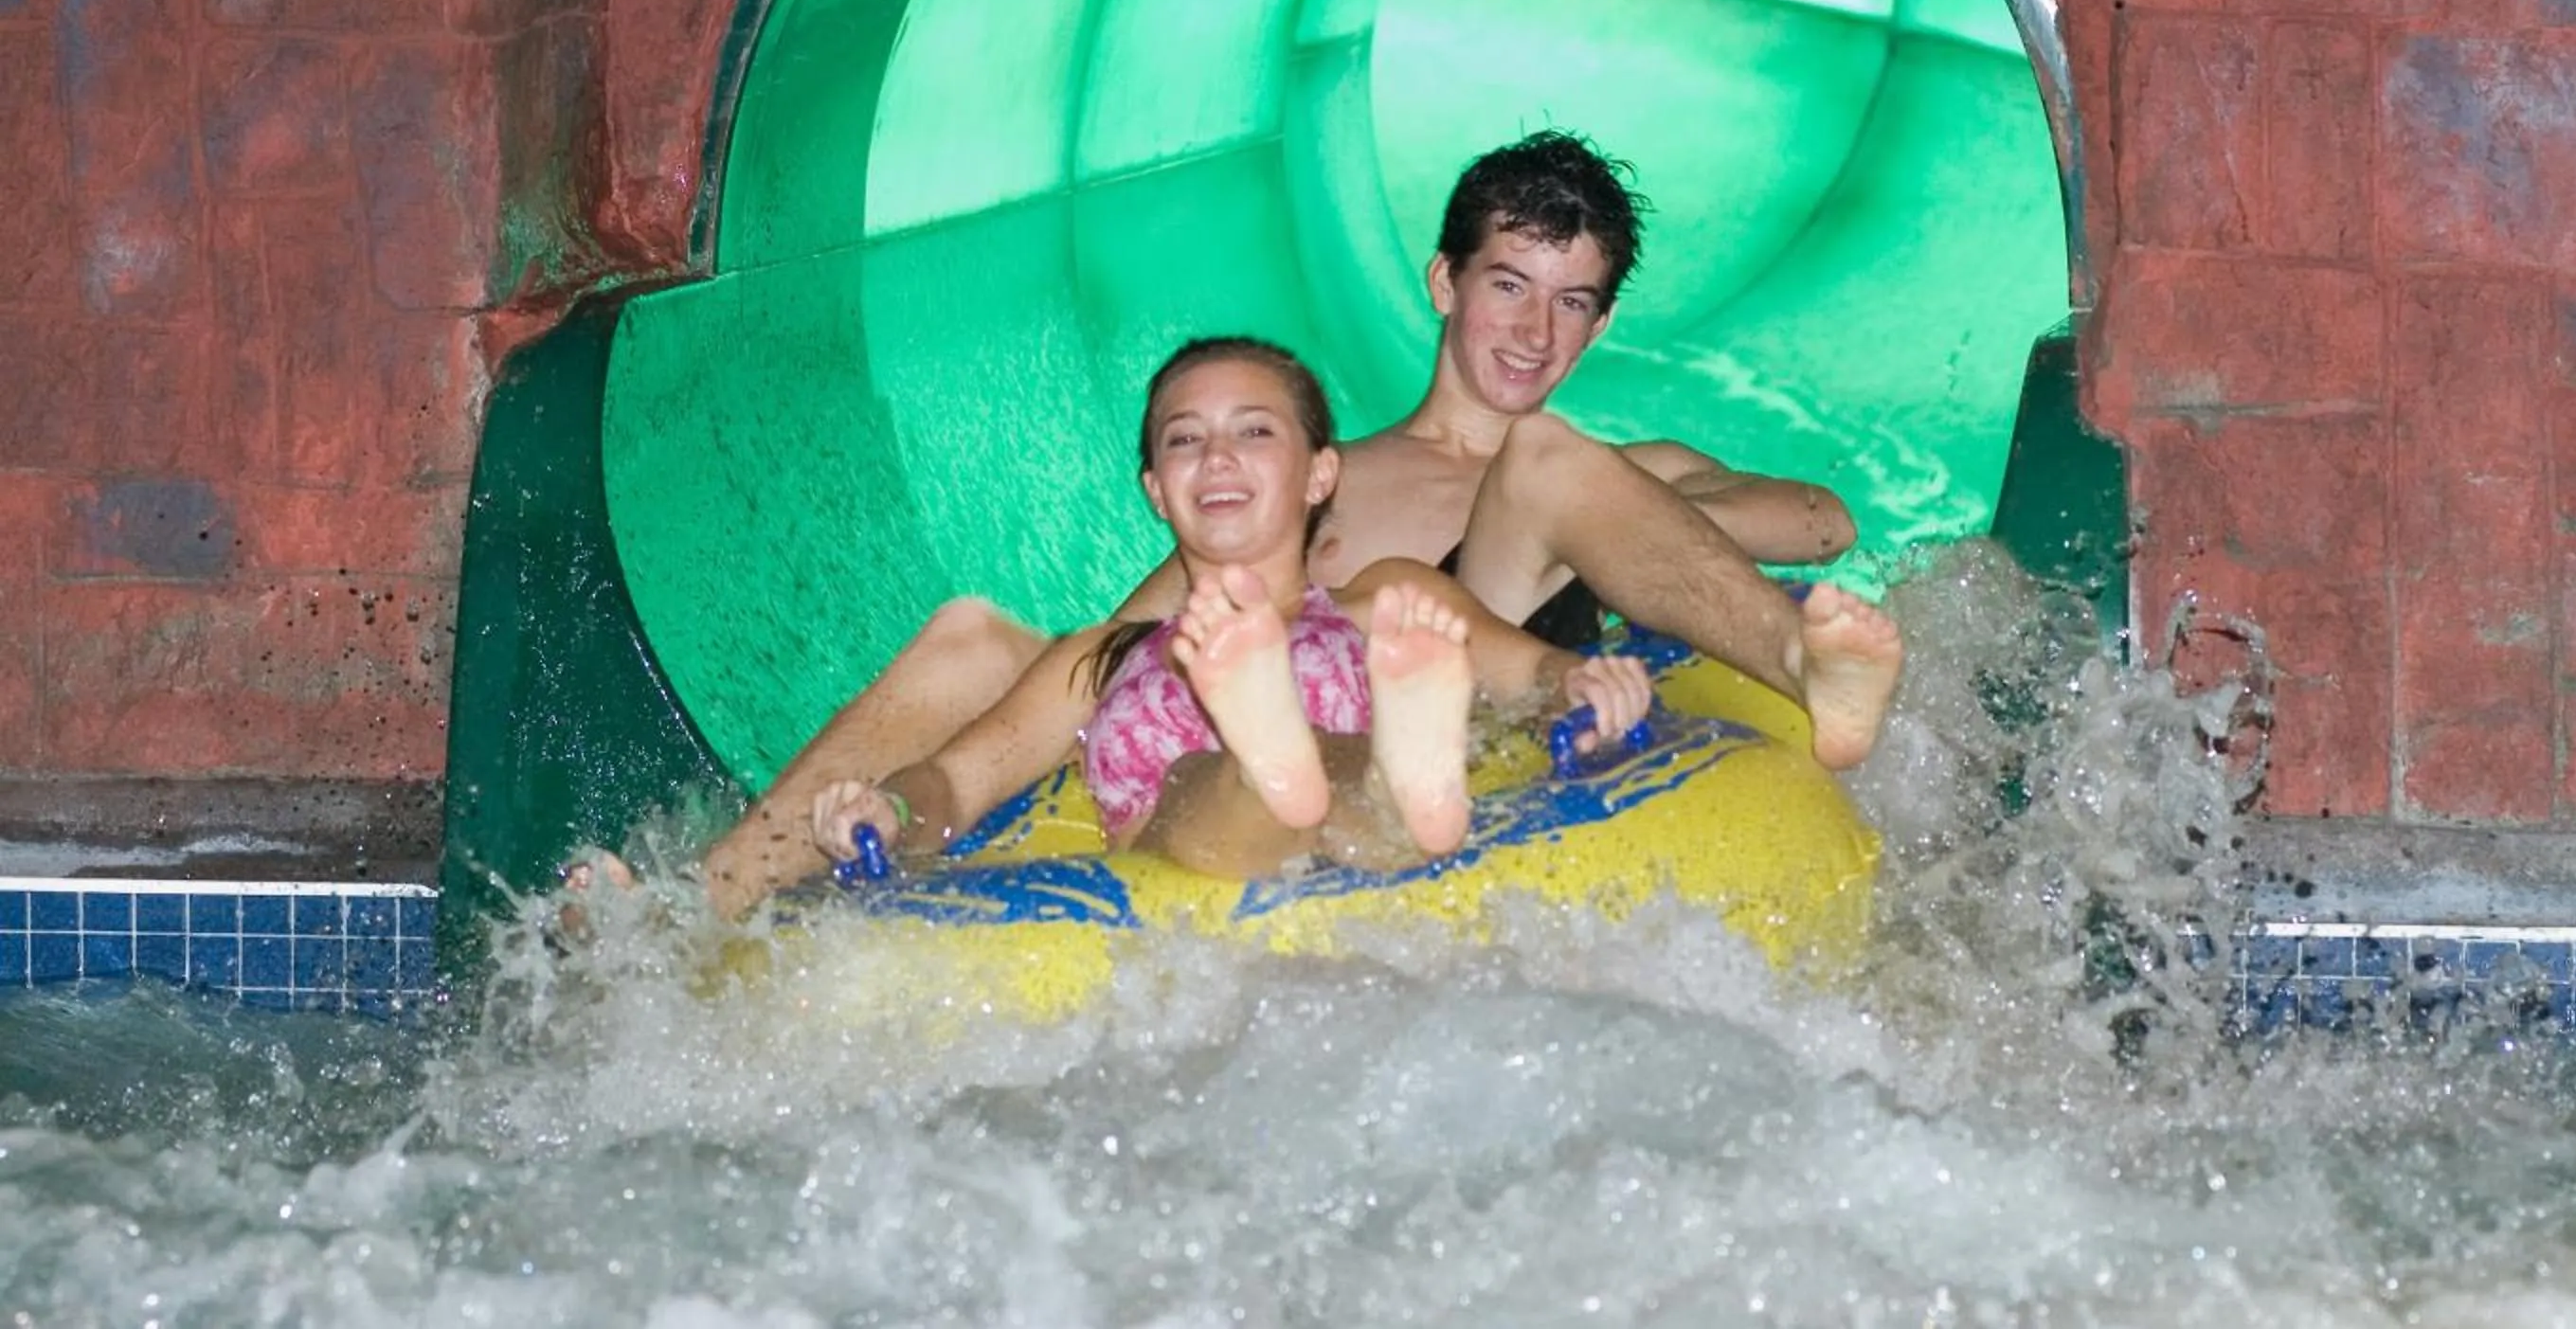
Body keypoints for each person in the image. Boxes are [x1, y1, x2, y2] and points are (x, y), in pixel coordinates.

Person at [689, 131, 1902, 918]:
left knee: (1539, 457)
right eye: (1507, 287)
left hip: (1459, 682)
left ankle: (1802, 670)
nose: (1535, 333)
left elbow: (1822, 521)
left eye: (1572, 303)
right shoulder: (1329, 479)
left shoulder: (1611, 470)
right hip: (1305, 701)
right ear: (1446, 284)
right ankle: (721, 895)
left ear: (1601, 323)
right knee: (973, 633)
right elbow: (1138, 639)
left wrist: (1622, 513)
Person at [797, 336, 1654, 881]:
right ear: (1156, 491)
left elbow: (1529, 671)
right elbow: (957, 780)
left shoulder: (1384, 603)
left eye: (1254, 431)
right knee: (1195, 779)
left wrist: (1582, 684)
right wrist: (891, 810)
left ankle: (1377, 776)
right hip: (1195, 865)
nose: (1216, 457)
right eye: (1185, 439)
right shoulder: (1100, 659)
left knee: (1332, 763)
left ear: (1320, 474)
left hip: (1349, 830)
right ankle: (1290, 767)